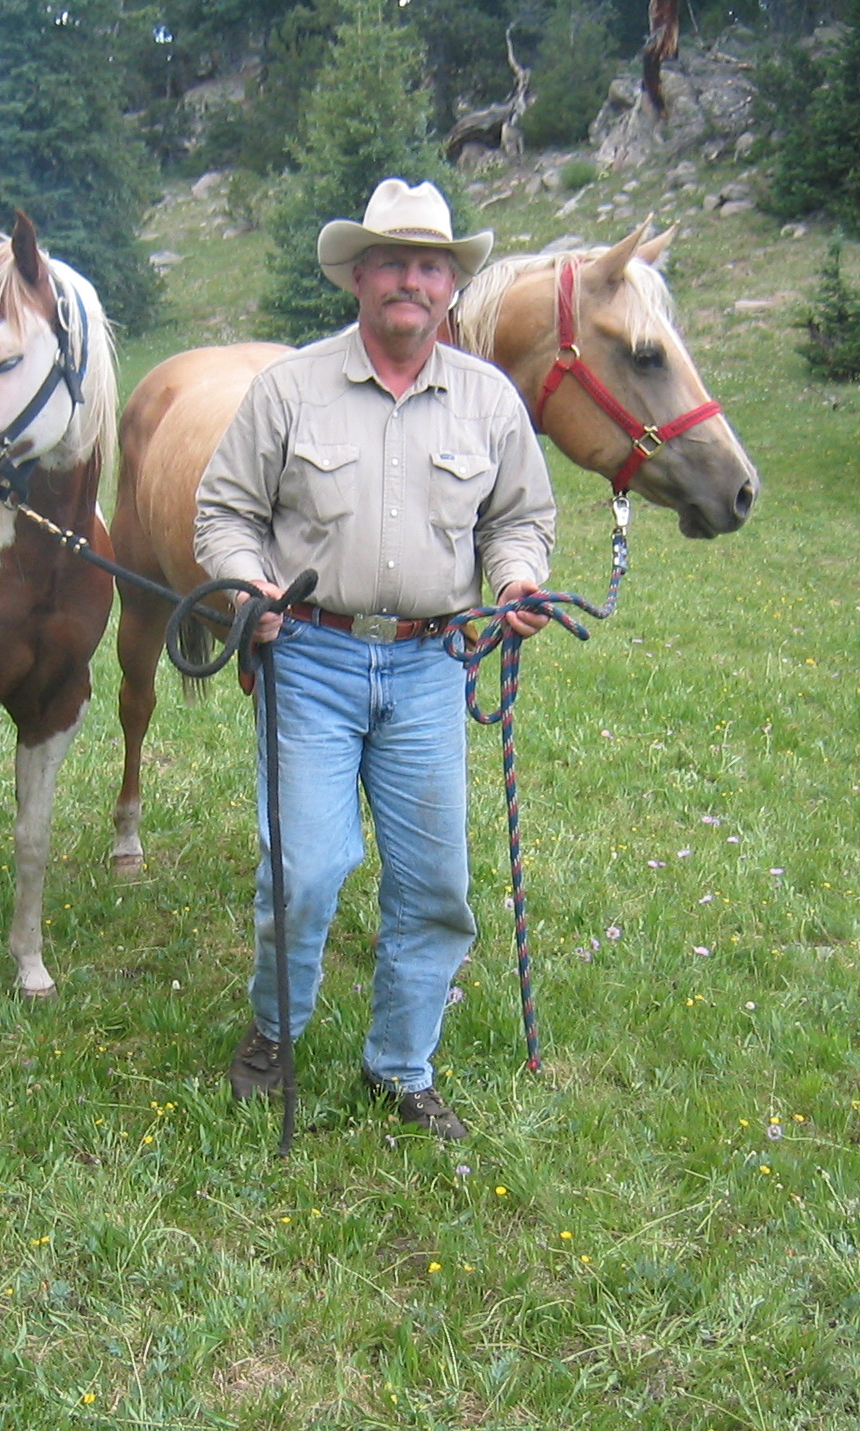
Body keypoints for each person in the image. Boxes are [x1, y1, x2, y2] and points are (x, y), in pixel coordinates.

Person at [193, 178, 558, 1140]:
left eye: (429, 265)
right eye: (391, 261)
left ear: (449, 286)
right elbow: (223, 513)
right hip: (310, 658)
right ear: (359, 276)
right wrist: (246, 582)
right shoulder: (288, 390)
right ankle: (275, 1032)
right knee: (306, 870)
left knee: (437, 883)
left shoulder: (489, 401)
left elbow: (519, 518)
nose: (411, 280)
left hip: (435, 666)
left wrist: (518, 580)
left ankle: (400, 1067)